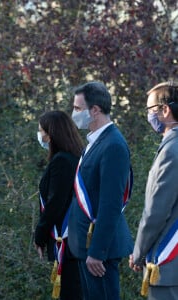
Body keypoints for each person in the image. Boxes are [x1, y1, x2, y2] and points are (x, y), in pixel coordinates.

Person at [68, 81, 133, 300]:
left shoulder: (113, 144)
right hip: (86, 247)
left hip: (98, 252)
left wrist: (97, 251)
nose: (73, 114)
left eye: (77, 109)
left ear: (95, 110)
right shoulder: (95, 142)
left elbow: (111, 204)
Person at [129, 81, 178, 300]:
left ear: (165, 109)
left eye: (150, 110)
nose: (148, 116)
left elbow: (156, 211)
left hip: (169, 264)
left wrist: (138, 253)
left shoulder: (171, 150)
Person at [34, 110, 84, 300]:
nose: (40, 135)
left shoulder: (62, 160)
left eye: (41, 131)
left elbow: (55, 202)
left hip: (68, 239)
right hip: (72, 239)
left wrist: (39, 234)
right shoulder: (72, 156)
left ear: (51, 133)